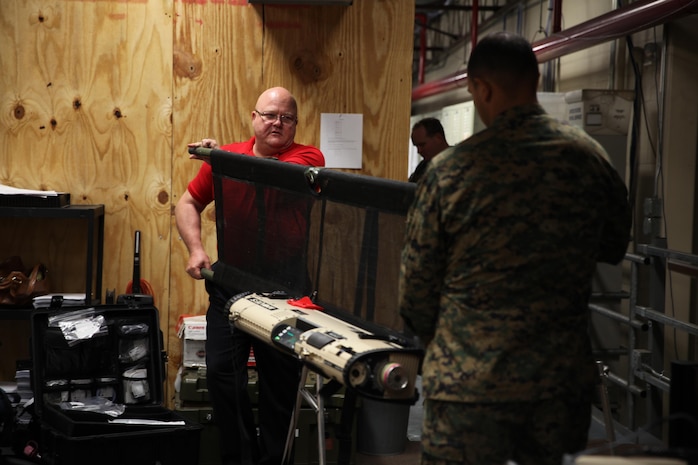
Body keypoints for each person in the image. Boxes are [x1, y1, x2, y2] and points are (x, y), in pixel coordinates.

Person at [398, 32, 631, 465]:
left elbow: (416, 291)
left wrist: (447, 343)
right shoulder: (589, 158)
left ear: (482, 88)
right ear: (536, 78)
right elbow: (614, 246)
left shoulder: (449, 173)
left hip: (467, 385)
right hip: (555, 383)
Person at [175, 86, 325, 465]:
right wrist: (196, 248)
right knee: (222, 378)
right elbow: (188, 202)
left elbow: (273, 174)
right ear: (254, 118)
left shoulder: (308, 157)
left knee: (280, 387)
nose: (277, 122)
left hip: (285, 296)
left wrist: (219, 156)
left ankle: (274, 460)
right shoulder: (228, 158)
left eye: (286, 117)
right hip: (229, 288)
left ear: (294, 124)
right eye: (269, 114)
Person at [409, 117, 450, 182]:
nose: (419, 151)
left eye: (422, 145)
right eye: (416, 146)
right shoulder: (422, 167)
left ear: (438, 138)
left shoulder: (459, 161)